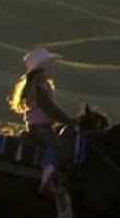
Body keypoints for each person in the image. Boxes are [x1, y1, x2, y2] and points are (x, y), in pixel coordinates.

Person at [9, 47, 74, 195]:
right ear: (41, 70)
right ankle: (47, 176)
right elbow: (50, 109)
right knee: (56, 146)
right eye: (50, 65)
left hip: (42, 126)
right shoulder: (38, 88)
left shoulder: (42, 86)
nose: (52, 68)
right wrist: (70, 121)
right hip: (39, 127)